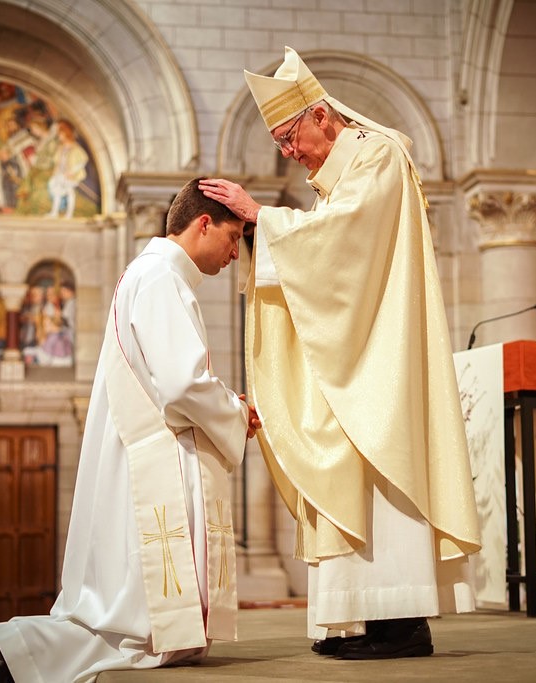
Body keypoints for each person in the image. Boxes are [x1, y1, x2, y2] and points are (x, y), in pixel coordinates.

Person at [199, 46, 480, 660]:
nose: (288, 153)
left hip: (380, 358)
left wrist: (260, 218)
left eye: (289, 136)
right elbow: (326, 258)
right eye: (277, 144)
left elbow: (345, 244)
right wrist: (264, 230)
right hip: (355, 350)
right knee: (346, 465)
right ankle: (369, 617)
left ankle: (401, 622)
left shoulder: (378, 155)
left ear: (321, 115)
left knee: (377, 462)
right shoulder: (340, 179)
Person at [0, 177, 260, 683]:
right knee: (132, 630)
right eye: (233, 238)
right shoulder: (163, 278)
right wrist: (235, 410)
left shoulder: (149, 275)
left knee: (135, 628)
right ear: (203, 223)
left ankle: (1, 655)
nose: (235, 254)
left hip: (148, 455)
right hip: (158, 464)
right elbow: (181, 383)